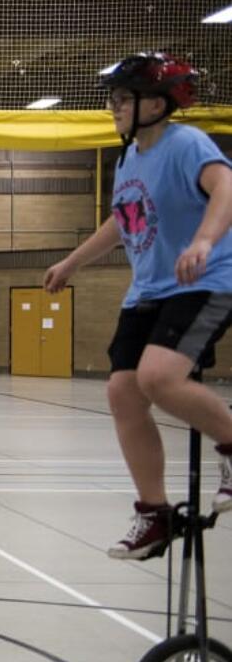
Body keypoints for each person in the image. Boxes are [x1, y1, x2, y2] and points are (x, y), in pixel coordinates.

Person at [43, 51, 232, 560]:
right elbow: (121, 223)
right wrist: (72, 263)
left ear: (157, 103)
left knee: (159, 378)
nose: (113, 108)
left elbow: (226, 190)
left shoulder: (186, 143)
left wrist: (204, 243)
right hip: (148, 290)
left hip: (204, 281)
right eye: (113, 100)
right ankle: (155, 514)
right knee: (124, 392)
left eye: (123, 99)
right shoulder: (129, 158)